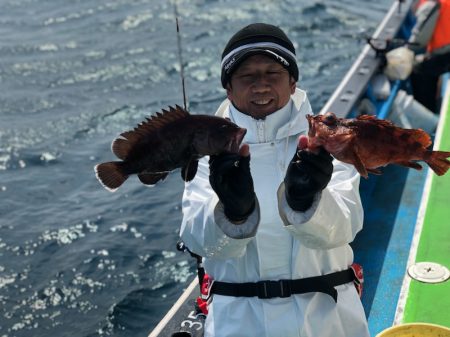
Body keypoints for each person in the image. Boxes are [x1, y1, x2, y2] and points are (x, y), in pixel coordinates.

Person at [180, 23, 369, 337]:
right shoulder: (206, 152)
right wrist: (233, 213)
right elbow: (199, 241)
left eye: (273, 74)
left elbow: (345, 227)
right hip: (239, 324)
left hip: (327, 319)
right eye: (247, 76)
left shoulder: (325, 139)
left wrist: (306, 202)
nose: (261, 86)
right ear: (228, 89)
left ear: (293, 83)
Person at [409, 0, 450, 113]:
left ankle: (427, 110)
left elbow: (419, 40)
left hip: (446, 53)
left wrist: (405, 49)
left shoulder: (433, 4)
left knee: (418, 69)